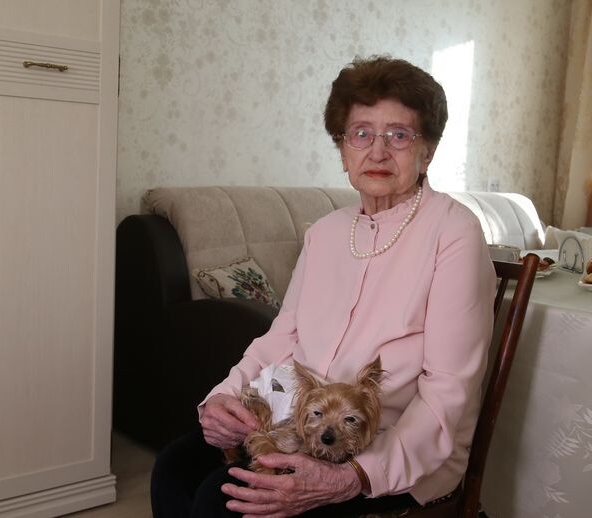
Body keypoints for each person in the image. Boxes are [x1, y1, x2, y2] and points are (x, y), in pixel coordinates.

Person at [150, 55, 495, 517]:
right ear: (343, 149)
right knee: (174, 467)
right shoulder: (327, 231)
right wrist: (224, 396)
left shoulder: (454, 232)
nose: (377, 152)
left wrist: (354, 475)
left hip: (390, 446)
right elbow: (283, 336)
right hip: (300, 424)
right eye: (361, 134)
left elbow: (448, 393)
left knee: (222, 498)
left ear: (427, 150)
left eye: (398, 135)